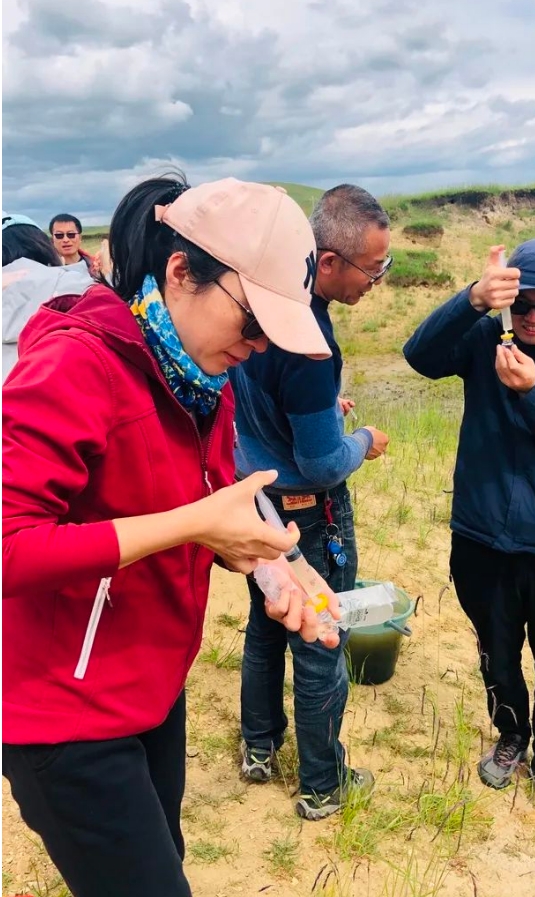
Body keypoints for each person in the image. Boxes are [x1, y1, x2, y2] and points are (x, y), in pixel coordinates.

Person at [3, 174, 341, 897]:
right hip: (66, 713)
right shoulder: (76, 362)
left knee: (166, 860)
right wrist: (195, 526)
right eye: (252, 322)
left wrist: (279, 562)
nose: (257, 347)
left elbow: (215, 493)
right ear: (181, 272)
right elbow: (10, 543)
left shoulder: (198, 380)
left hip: (151, 686)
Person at [403, 239, 535, 830]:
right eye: (522, 304)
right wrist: (473, 299)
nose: (533, 318)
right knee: (497, 655)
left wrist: (532, 391)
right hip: (482, 537)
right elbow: (419, 356)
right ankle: (511, 736)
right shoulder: (485, 338)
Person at [230, 184, 391, 820]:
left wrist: (326, 411)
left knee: (265, 627)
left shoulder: (263, 308)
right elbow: (323, 461)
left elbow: (273, 407)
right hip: (308, 517)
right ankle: (323, 784)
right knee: (320, 639)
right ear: (328, 262)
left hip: (259, 505)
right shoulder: (310, 341)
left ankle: (259, 747)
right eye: (372, 268)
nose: (377, 280)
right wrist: (362, 440)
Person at [2, 211, 94, 382]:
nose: (66, 240)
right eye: (59, 235)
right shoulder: (72, 283)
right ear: (43, 243)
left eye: (71, 234)